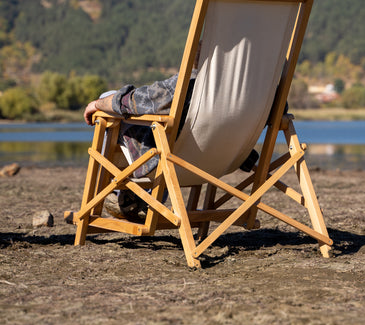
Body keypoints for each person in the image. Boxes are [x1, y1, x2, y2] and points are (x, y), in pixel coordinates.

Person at [84, 70, 259, 221]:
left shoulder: (194, 80)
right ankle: (133, 197)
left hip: (173, 164)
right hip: (223, 163)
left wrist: (98, 104)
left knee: (108, 96)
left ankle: (123, 194)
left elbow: (148, 100)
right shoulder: (260, 87)